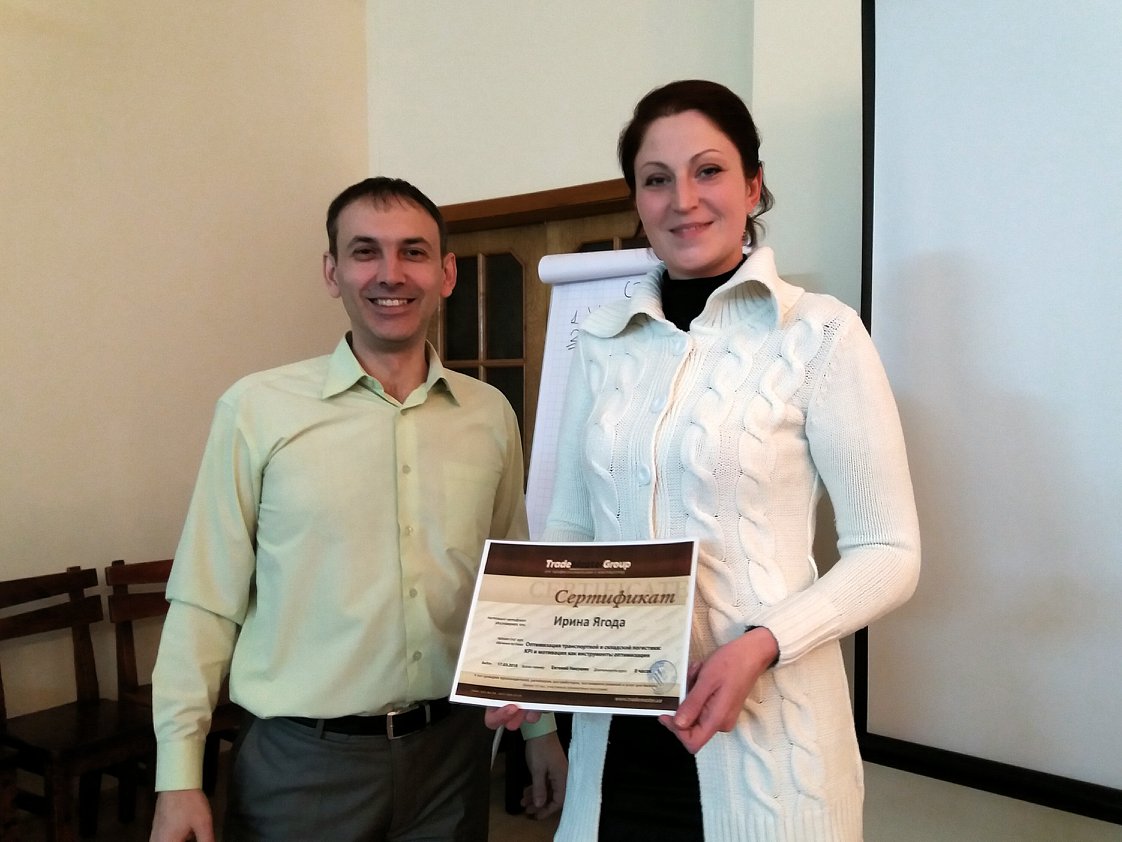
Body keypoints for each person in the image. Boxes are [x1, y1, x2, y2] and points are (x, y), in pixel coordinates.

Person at [490, 80, 920, 841]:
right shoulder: (602, 341)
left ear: (753, 185)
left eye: (709, 171)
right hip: (616, 752)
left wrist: (761, 646)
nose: (683, 200)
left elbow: (889, 552)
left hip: (771, 746)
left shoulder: (820, 335)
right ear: (637, 200)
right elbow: (572, 529)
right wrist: (531, 656)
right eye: (657, 179)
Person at [149, 176, 567, 842]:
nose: (390, 274)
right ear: (332, 271)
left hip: (452, 757)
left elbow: (509, 584)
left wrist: (539, 728)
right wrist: (178, 775)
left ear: (446, 273)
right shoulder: (256, 410)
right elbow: (205, 600)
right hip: (301, 767)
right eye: (365, 251)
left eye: (413, 252)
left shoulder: (490, 415)